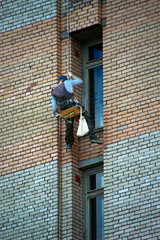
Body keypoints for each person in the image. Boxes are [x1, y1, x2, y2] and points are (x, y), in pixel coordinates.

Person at [51, 72, 103, 149]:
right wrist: (72, 76)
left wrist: (56, 113)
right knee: (86, 116)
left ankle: (69, 143)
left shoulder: (54, 91)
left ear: (59, 81)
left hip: (65, 110)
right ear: (65, 80)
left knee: (69, 125)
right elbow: (80, 81)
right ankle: (93, 137)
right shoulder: (68, 82)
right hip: (73, 105)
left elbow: (54, 106)